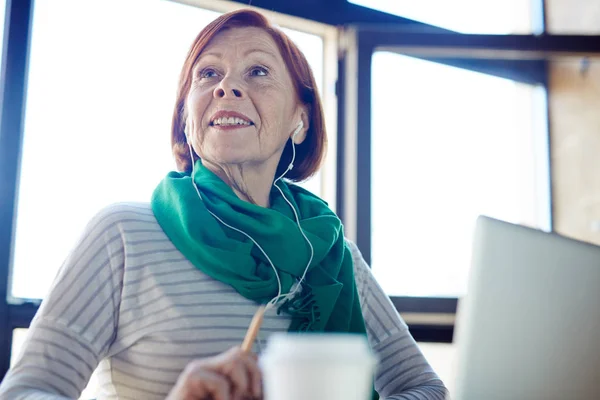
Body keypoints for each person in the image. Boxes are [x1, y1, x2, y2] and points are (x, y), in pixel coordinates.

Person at [0, 9, 449, 400]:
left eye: (258, 72)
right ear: (187, 118)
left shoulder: (332, 254)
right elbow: (24, 392)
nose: (226, 87)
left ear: (300, 119)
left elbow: (426, 390)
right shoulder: (121, 233)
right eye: (208, 74)